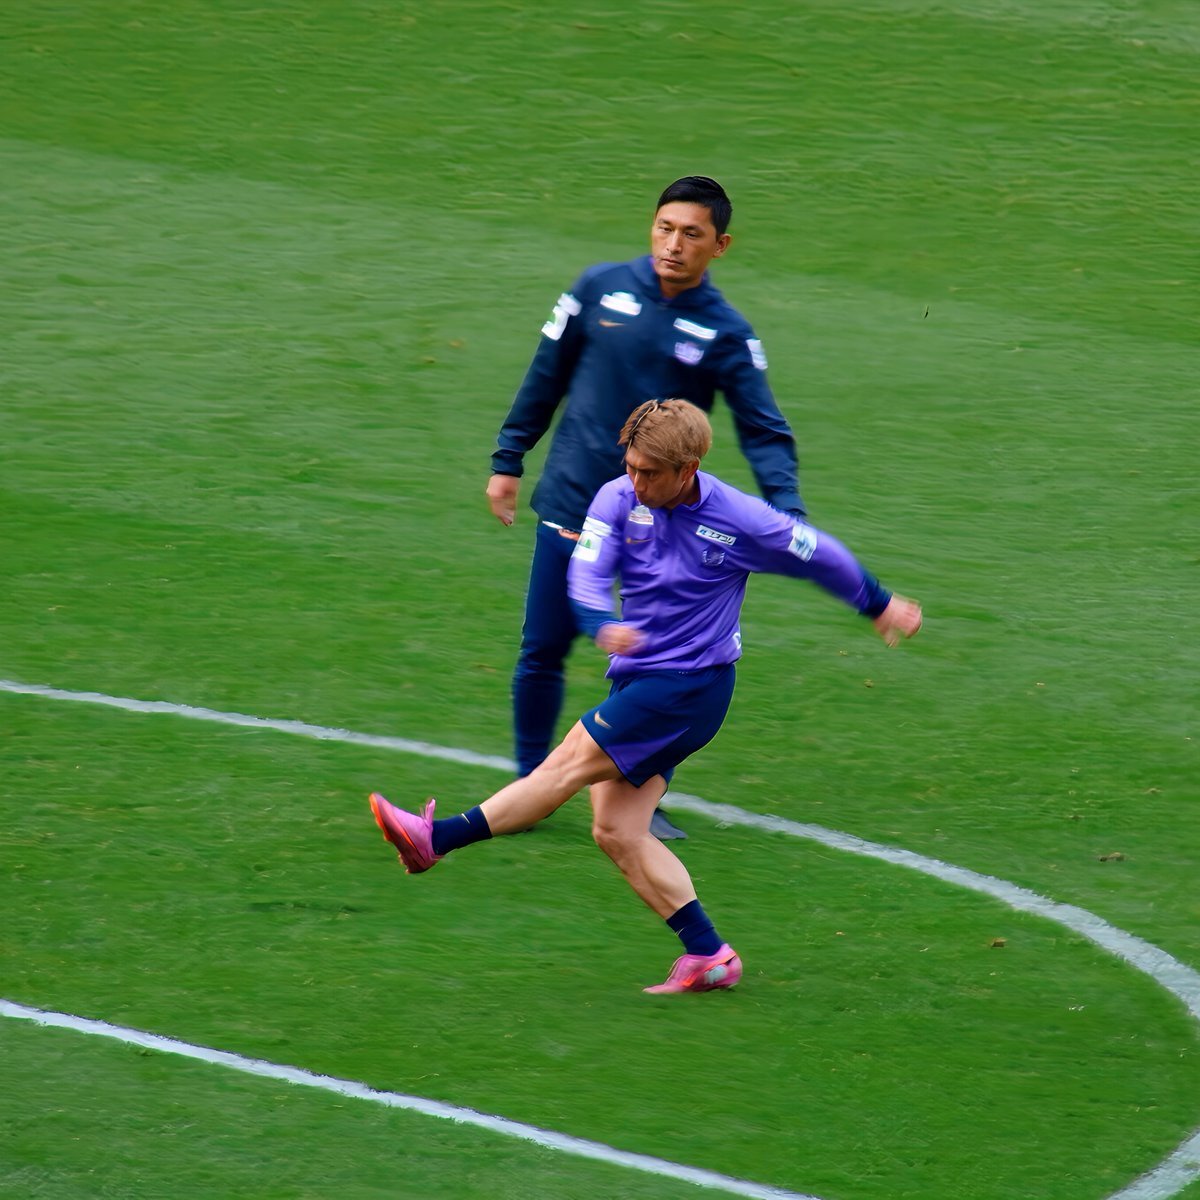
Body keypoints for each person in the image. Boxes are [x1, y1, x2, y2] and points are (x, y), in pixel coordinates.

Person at [373, 399, 922, 994]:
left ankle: (435, 839)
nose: (636, 481)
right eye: (631, 466)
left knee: (565, 765)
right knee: (616, 830)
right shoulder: (617, 497)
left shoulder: (739, 517)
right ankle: (709, 955)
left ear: (689, 469)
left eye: (650, 473)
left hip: (689, 686)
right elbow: (586, 572)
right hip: (640, 680)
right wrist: (598, 621)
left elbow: (814, 552)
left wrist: (877, 603)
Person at [486, 175, 807, 842]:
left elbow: (764, 427)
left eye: (692, 234)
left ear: (719, 246)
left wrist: (787, 508)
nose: (674, 244)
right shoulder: (598, 287)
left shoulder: (724, 331)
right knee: (543, 647)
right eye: (665, 228)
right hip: (575, 498)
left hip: (663, 527)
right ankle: (528, 786)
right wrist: (509, 457)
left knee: (655, 664)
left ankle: (635, 796)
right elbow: (546, 373)